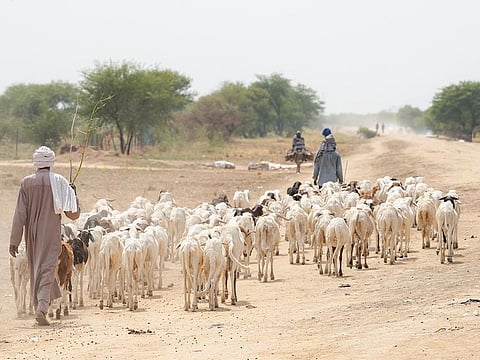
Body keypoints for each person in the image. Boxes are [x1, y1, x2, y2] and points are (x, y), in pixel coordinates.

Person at [9, 146, 80, 326]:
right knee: (47, 268)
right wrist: (73, 193)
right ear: (51, 162)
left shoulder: (26, 183)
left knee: (37, 268)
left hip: (31, 235)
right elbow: (73, 214)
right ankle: (41, 307)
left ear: (36, 162)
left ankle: (42, 303)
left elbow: (20, 215)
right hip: (51, 233)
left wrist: (14, 240)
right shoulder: (59, 182)